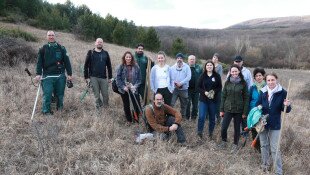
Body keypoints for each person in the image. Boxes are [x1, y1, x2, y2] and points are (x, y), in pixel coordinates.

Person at [256, 72, 291, 174]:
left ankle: (278, 171)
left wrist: (287, 105)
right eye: (268, 80)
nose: (270, 82)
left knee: (275, 148)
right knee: (264, 146)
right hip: (263, 122)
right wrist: (259, 109)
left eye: (272, 80)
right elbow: (258, 104)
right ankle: (265, 166)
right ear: (266, 81)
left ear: (276, 80)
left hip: (275, 124)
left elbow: (287, 110)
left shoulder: (283, 92)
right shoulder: (263, 91)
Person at [35, 31, 72, 115]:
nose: (51, 37)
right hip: (47, 76)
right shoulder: (42, 49)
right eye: (49, 35)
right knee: (47, 95)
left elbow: (67, 62)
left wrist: (69, 74)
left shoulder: (61, 48)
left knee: (59, 95)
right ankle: (46, 112)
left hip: (60, 76)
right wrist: (38, 74)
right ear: (46, 37)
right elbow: (39, 62)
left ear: (55, 36)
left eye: (52, 35)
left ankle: (59, 110)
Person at [219, 65, 249, 153]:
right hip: (228, 108)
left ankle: (235, 144)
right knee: (224, 127)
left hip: (239, 110)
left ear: (239, 72)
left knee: (237, 129)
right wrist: (221, 110)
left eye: (236, 71)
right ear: (230, 72)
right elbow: (223, 96)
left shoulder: (243, 83)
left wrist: (244, 112)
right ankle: (224, 141)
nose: (234, 73)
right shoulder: (227, 83)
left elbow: (246, 98)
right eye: (232, 71)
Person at [84, 38, 112, 110]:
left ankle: (105, 109)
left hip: (103, 78)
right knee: (97, 96)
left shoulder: (105, 53)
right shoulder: (90, 52)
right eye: (98, 42)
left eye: (101, 42)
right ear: (95, 43)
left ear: (102, 44)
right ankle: (98, 110)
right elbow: (86, 65)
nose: (99, 43)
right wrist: (86, 77)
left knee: (106, 96)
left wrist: (110, 77)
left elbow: (109, 66)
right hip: (93, 77)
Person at [197, 60, 222, 139]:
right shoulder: (202, 76)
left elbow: (220, 87)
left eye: (211, 65)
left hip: (213, 100)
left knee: (212, 118)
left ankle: (210, 133)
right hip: (203, 100)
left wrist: (214, 91)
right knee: (201, 116)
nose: (209, 66)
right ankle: (199, 132)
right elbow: (198, 87)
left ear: (213, 66)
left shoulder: (217, 76)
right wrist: (204, 92)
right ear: (205, 67)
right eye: (207, 65)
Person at [116, 51, 142, 125]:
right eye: (127, 57)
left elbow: (139, 79)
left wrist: (134, 86)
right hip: (124, 90)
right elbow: (118, 78)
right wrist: (123, 87)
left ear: (132, 58)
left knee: (135, 104)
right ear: (124, 58)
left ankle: (136, 119)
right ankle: (129, 120)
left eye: (129, 57)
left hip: (134, 89)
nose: (128, 58)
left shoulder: (136, 66)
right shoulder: (121, 66)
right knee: (126, 105)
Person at [248, 67, 266, 151]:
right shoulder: (252, 87)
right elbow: (249, 99)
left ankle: (263, 148)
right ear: (254, 78)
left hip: (263, 112)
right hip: (253, 112)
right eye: (256, 76)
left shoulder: (267, 87)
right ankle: (256, 148)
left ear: (263, 76)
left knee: (262, 131)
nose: (258, 77)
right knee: (254, 131)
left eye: (260, 75)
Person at [170, 53, 191, 118]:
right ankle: (170, 115)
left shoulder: (187, 67)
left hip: (184, 89)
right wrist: (175, 83)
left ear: (183, 59)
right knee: (171, 103)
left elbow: (189, 77)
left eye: (181, 58)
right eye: (178, 58)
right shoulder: (172, 68)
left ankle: (183, 116)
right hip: (175, 89)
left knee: (184, 104)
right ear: (176, 59)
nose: (179, 59)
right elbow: (170, 77)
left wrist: (181, 83)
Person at [186, 55, 203, 120]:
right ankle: (187, 117)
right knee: (187, 104)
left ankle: (194, 117)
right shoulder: (185, 67)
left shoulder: (199, 68)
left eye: (193, 59)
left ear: (195, 60)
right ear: (188, 60)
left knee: (195, 105)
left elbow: (202, 77)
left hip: (196, 90)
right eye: (190, 59)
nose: (192, 60)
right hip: (187, 89)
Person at [212, 53, 223, 124]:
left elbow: (219, 76)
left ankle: (218, 118)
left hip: (217, 88)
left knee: (217, 104)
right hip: (209, 88)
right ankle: (208, 117)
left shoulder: (219, 67)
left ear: (218, 59)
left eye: (216, 58)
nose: (215, 59)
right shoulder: (209, 65)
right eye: (214, 57)